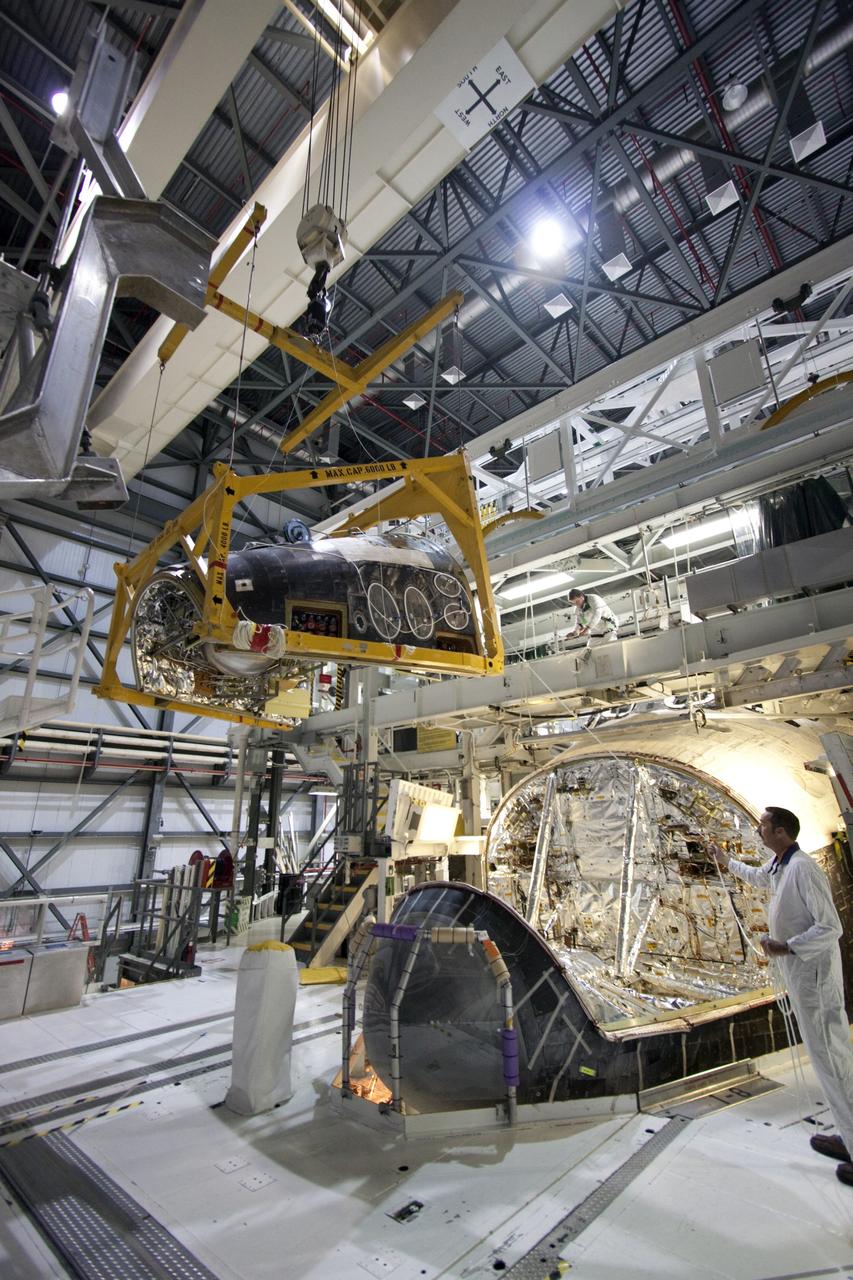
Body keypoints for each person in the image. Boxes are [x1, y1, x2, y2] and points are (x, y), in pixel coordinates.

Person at [712, 807, 853, 1187]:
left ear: (780, 832)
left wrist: (787, 946)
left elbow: (831, 927)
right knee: (827, 1059)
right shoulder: (780, 866)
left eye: (763, 824)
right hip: (803, 978)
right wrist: (726, 862)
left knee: (833, 1060)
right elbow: (759, 877)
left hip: (815, 979)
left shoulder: (803, 869)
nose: (758, 829)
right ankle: (848, 1133)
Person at [566, 588, 618, 657]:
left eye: (577, 601)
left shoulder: (594, 599)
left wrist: (586, 629)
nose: (576, 604)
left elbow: (597, 615)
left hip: (608, 625)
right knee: (589, 651)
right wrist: (574, 632)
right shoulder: (577, 609)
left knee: (610, 647)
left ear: (581, 597)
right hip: (595, 629)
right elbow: (579, 623)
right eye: (574, 603)